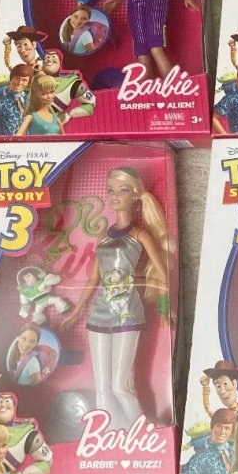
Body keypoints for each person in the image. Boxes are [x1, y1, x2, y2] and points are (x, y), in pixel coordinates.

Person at [60, 167, 171, 429]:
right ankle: (112, 432)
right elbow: (93, 279)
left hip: (127, 314)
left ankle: (145, 430)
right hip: (99, 315)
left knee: (121, 385)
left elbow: (162, 275)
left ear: (135, 195)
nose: (114, 196)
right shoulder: (103, 236)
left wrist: (164, 309)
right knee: (102, 387)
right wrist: (76, 312)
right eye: (110, 190)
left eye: (122, 190)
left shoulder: (139, 235)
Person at [178, 408, 235, 474]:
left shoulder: (233, 453)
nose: (222, 432)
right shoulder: (202, 457)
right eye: (219, 426)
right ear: (212, 427)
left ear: (232, 432)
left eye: (227, 428)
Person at [38, 49, 96, 123]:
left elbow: (91, 104)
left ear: (60, 62)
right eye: (47, 57)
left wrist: (69, 115)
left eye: (53, 57)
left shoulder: (71, 82)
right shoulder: (32, 78)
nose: (49, 59)